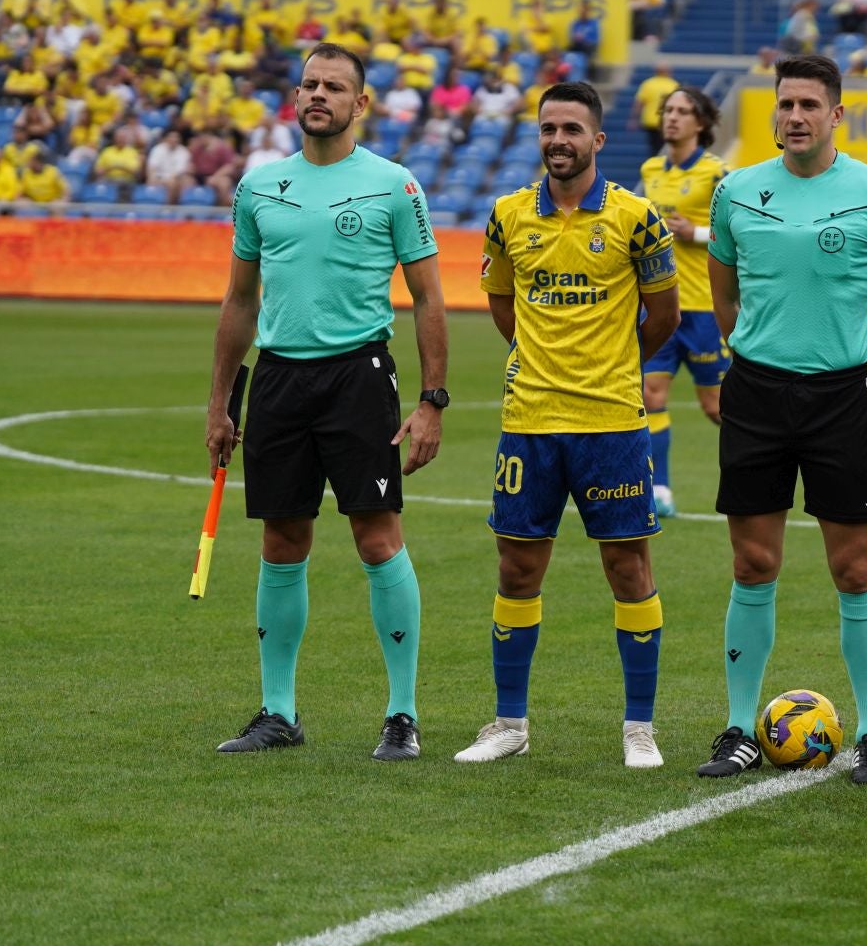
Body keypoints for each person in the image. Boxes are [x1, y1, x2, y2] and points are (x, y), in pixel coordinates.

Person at [207, 43, 447, 761]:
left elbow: (429, 297)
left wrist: (432, 399)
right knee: (282, 543)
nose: (317, 94)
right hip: (279, 378)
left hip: (359, 377)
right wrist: (220, 403)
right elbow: (240, 300)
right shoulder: (258, 187)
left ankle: (401, 714)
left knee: (377, 539)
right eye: (309, 83)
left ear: (360, 104)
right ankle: (278, 712)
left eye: (333, 86)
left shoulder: (393, 186)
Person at [696, 54, 867, 785]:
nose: (795, 116)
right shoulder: (736, 191)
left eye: (809, 105)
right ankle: (735, 727)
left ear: (836, 114)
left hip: (841, 398)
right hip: (757, 394)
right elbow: (724, 292)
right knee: (752, 563)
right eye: (785, 103)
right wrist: (751, 354)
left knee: (853, 569)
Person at [455, 81, 681, 770]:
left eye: (572, 130)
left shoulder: (638, 218)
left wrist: (612, 365)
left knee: (628, 567)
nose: (559, 140)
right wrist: (538, 360)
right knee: (517, 567)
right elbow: (501, 302)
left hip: (611, 422)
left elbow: (663, 313)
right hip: (529, 420)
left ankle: (638, 728)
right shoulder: (507, 214)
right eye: (549, 128)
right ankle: (509, 722)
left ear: (598, 140)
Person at [638, 86, 730, 518]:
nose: (672, 118)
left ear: (702, 123)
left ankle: (767, 465)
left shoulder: (718, 174)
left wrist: (692, 233)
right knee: (650, 394)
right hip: (661, 306)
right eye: (667, 110)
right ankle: (660, 490)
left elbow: (743, 236)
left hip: (706, 309)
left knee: (716, 407)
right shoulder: (651, 168)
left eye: (682, 111)